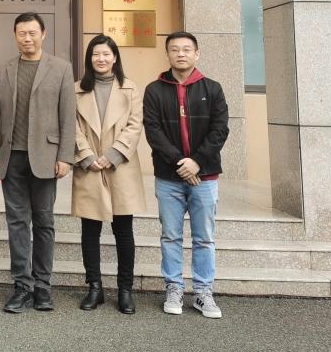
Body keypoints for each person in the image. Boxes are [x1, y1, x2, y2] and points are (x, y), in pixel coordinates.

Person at [0, 12, 76, 314]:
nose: (27, 38)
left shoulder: (61, 69)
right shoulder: (2, 71)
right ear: (15, 36)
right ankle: (22, 286)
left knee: (44, 222)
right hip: (11, 157)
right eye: (22, 33)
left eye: (32, 33)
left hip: (46, 158)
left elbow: (68, 116)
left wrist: (65, 156)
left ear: (43, 34)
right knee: (16, 223)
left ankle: (42, 287)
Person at [143, 31, 230, 319]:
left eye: (186, 49)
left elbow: (220, 130)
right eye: (174, 49)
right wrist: (182, 163)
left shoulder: (212, 89)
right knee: (170, 235)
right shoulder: (155, 90)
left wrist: (197, 163)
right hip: (169, 177)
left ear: (196, 53)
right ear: (167, 54)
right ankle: (174, 288)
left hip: (205, 177)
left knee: (204, 237)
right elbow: (153, 131)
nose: (180, 54)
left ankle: (203, 292)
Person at [73, 34, 146, 315]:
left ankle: (125, 290)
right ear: (89, 59)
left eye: (106, 54)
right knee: (90, 229)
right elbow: (72, 126)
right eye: (95, 54)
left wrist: (113, 154)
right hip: (89, 165)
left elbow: (135, 125)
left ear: (115, 57)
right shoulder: (77, 89)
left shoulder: (130, 88)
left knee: (123, 229)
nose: (101, 59)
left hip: (120, 166)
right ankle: (95, 287)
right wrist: (87, 156)